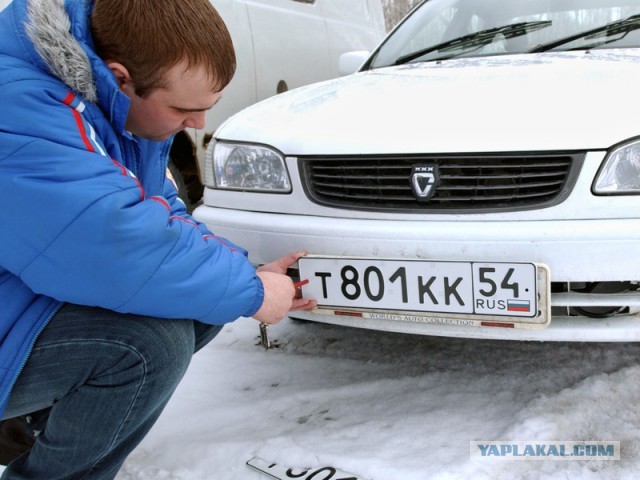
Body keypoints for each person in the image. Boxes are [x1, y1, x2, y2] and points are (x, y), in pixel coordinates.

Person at [0, 0, 316, 477]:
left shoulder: (103, 100)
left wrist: (244, 277)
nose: (199, 125)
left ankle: (34, 425)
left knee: (195, 302)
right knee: (146, 347)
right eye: (184, 109)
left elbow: (160, 212)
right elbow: (113, 241)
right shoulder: (18, 106)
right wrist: (253, 293)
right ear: (120, 76)